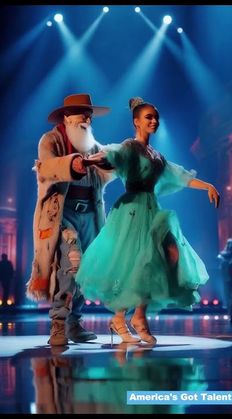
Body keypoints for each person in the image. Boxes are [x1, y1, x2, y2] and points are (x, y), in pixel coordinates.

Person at [76, 96, 220, 345]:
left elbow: (179, 175)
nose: (154, 121)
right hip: (132, 210)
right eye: (148, 117)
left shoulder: (157, 155)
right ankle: (123, 317)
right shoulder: (131, 147)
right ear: (136, 122)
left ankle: (138, 316)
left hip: (152, 209)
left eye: (155, 117)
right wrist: (90, 160)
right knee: (138, 263)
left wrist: (207, 185)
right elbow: (112, 155)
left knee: (168, 255)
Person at [26, 93, 115, 346]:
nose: (86, 118)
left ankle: (74, 322)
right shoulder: (51, 140)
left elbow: (109, 169)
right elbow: (47, 167)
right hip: (62, 215)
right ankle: (58, 323)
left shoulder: (93, 145)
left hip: (90, 213)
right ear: (66, 117)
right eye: (80, 113)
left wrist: (108, 161)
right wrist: (73, 163)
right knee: (72, 262)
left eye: (88, 114)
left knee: (87, 269)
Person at [217, 238, 232, 325]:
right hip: (227, 278)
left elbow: (231, 264)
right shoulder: (223, 255)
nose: (231, 246)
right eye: (229, 244)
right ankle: (231, 314)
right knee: (229, 297)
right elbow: (220, 258)